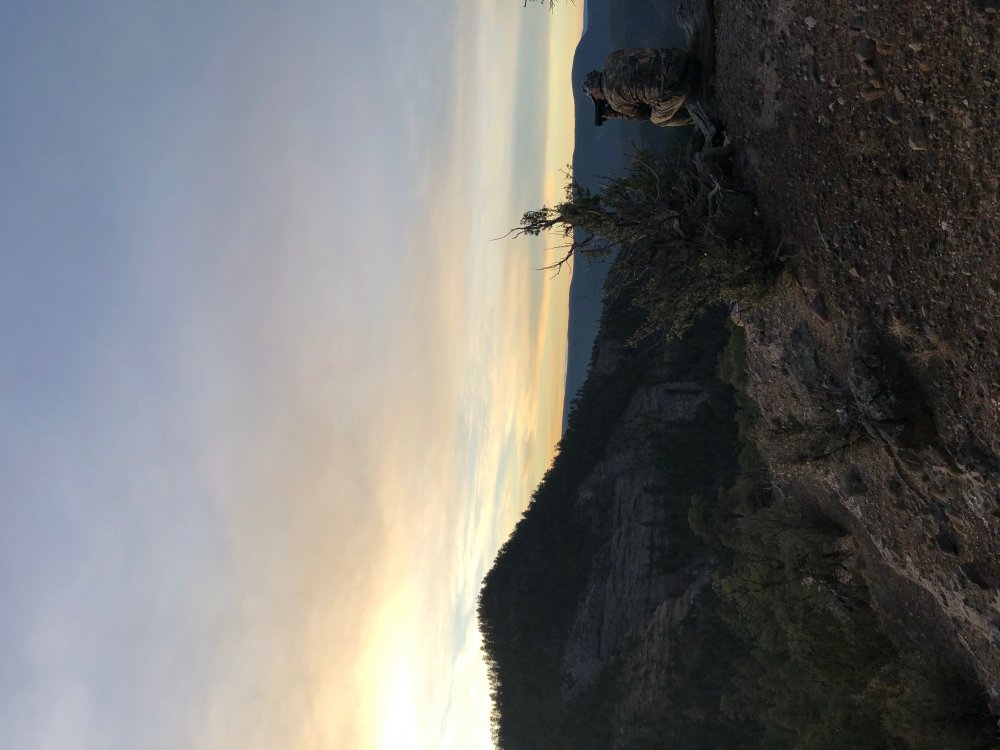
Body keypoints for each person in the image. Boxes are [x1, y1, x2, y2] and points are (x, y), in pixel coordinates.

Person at [582, 48, 699, 128]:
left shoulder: (614, 100)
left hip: (675, 84)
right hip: (679, 58)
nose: (596, 99)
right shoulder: (612, 57)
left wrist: (615, 113)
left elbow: (643, 115)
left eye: (593, 96)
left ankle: (697, 118)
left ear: (596, 90)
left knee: (657, 119)